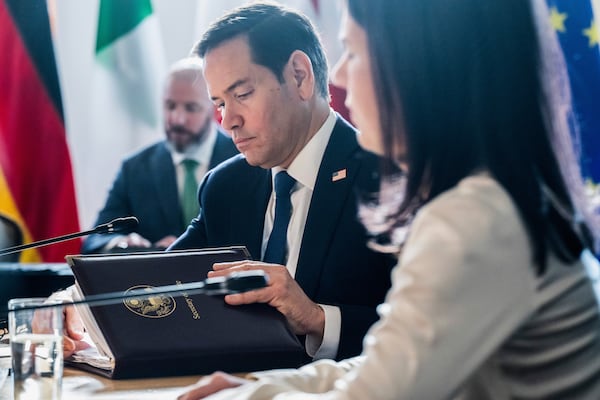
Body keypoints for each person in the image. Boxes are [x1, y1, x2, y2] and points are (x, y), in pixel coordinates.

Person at [177, 0, 600, 399]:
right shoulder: (494, 198)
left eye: (355, 54)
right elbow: (378, 366)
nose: (339, 76)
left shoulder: (475, 221)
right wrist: (252, 391)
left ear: (421, 68)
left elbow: (376, 394)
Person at [62, 3, 396, 361]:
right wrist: (76, 305)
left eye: (241, 94)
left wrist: (315, 318)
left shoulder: (390, 178)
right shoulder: (226, 185)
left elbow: (435, 336)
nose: (227, 121)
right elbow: (158, 277)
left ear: (300, 76)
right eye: (219, 103)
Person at [81, 58, 238, 254]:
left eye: (191, 108)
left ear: (213, 108)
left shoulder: (244, 159)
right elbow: (95, 240)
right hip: (155, 283)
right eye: (170, 106)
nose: (177, 119)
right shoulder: (135, 168)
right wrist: (121, 242)